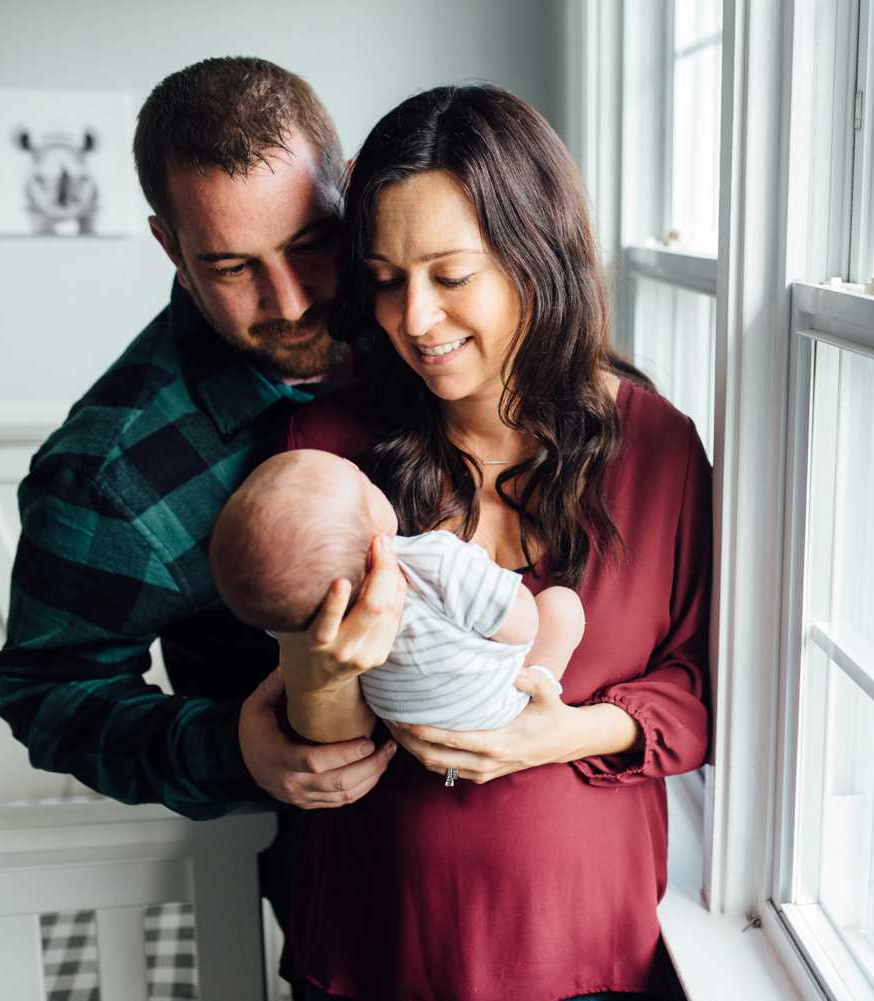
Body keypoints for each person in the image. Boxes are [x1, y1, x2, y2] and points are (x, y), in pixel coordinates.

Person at [270, 84, 712, 1001]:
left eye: (450, 273)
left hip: (589, 952)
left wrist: (558, 735)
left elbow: (699, 689)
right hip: (375, 950)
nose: (414, 320)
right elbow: (317, 738)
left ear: (535, 254)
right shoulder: (327, 456)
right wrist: (323, 675)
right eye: (387, 280)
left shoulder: (660, 450)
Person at [0, 57, 404, 917]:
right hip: (339, 890)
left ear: (351, 189)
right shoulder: (112, 473)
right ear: (170, 248)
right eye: (230, 266)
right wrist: (232, 750)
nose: (288, 301)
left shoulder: (437, 329)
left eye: (308, 244)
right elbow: (51, 696)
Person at [207, 448, 584, 738]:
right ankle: (540, 684)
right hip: (494, 712)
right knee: (561, 607)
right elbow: (522, 625)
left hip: (405, 726)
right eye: (362, 483)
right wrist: (483, 575)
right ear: (373, 519)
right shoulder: (433, 557)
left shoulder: (314, 620)